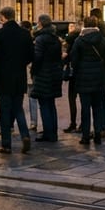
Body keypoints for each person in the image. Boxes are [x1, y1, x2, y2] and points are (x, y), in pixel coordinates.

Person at [0, 6, 35, 153]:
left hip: (4, 77)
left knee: (5, 110)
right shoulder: (25, 34)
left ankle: (6, 144)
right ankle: (25, 136)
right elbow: (31, 56)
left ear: (3, 17)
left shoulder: (0, 34)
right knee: (18, 108)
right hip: (19, 76)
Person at [71, 15, 105, 146]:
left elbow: (74, 60)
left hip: (84, 78)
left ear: (85, 25)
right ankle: (97, 134)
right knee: (97, 107)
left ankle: (85, 135)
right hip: (99, 78)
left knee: (85, 108)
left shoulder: (79, 40)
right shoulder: (103, 40)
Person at [30, 14, 63, 143]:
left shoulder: (40, 39)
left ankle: (48, 133)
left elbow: (37, 57)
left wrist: (34, 71)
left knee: (44, 104)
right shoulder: (55, 38)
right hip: (54, 73)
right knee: (51, 104)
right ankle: (53, 132)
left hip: (43, 74)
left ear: (41, 23)